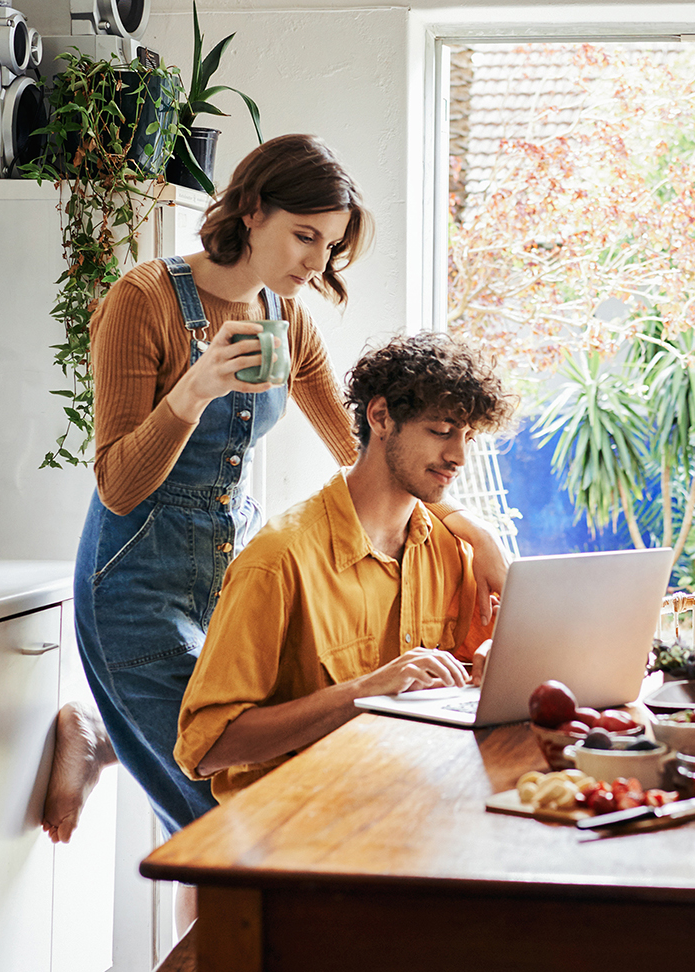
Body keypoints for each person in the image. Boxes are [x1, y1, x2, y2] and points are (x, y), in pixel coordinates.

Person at [51, 135, 508, 844]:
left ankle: (102, 730)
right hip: (136, 585)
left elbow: (367, 447)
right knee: (230, 822)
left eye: (329, 246)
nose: (316, 263)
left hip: (231, 572)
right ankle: (101, 727)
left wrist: (467, 530)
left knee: (260, 776)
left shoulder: (285, 314)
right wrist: (196, 388)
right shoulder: (142, 299)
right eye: (305, 236)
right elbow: (117, 484)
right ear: (252, 210)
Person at [174, 334, 560, 972]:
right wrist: (360, 690)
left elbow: (465, 677)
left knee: (595, 875)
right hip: (295, 835)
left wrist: (491, 653)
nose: (457, 455)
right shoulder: (280, 559)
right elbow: (205, 746)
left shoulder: (442, 545)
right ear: (380, 417)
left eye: (467, 435)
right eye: (441, 430)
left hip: (411, 811)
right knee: (377, 943)